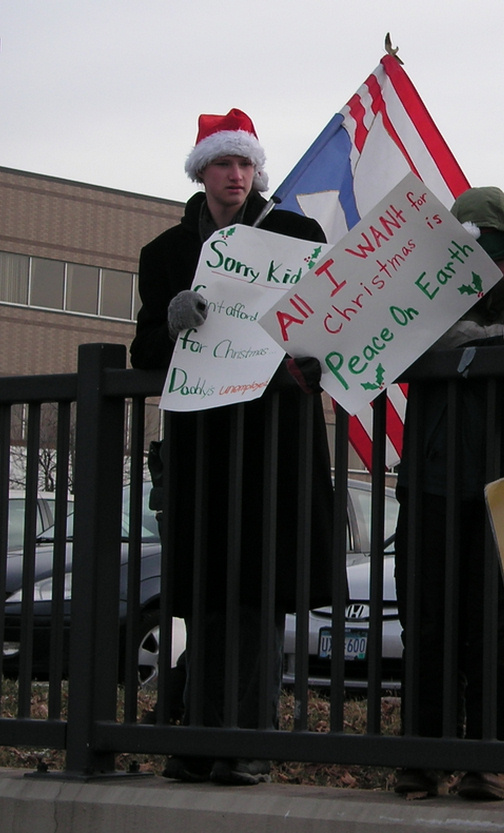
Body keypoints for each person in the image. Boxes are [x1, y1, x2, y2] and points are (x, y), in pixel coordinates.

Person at [131, 109, 340, 786]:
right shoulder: (164, 254)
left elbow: (324, 333)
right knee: (209, 594)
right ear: (203, 172)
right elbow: (145, 352)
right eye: (224, 164)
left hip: (274, 448)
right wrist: (171, 319)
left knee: (258, 592)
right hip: (203, 447)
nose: (236, 176)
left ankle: (239, 742)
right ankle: (200, 737)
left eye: (246, 165)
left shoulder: (296, 236)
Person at [392, 186, 504, 802]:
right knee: (426, 623)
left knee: (498, 626)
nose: (487, 275)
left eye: (497, 260)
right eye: (474, 260)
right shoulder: (411, 319)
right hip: (428, 487)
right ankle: (422, 756)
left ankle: (492, 759)